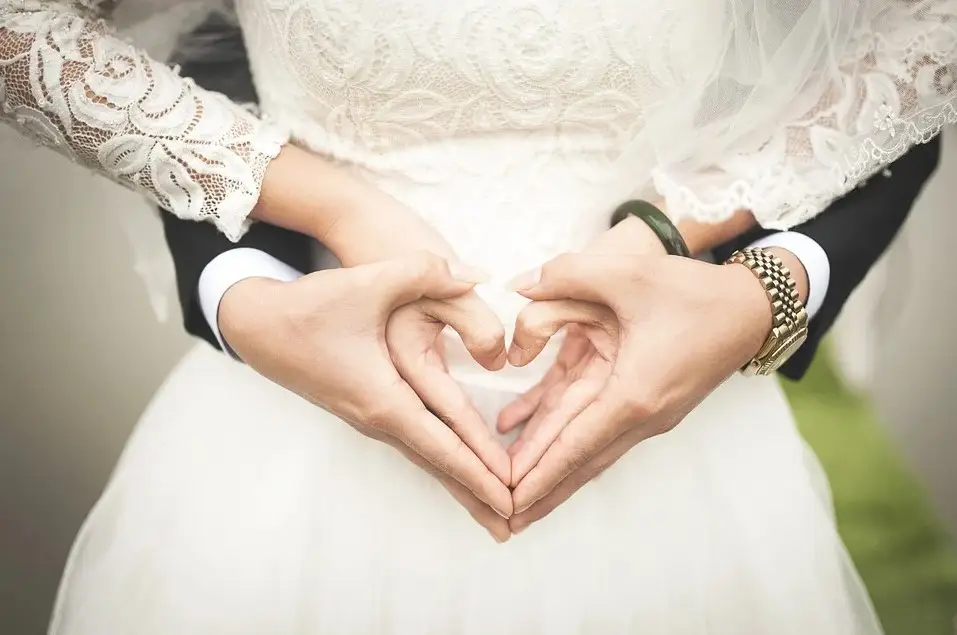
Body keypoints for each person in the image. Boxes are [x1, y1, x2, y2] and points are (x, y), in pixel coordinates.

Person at [0, 1, 951, 633]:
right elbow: (23, 32)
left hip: (674, 446)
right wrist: (330, 211)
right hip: (293, 443)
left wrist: (706, 258)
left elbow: (922, 33)